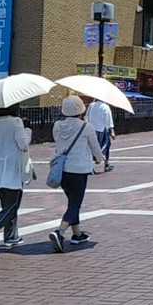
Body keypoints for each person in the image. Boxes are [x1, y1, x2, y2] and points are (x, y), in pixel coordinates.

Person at [49, 95, 104, 253]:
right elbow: (95, 148)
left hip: (62, 170)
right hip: (79, 170)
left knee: (72, 202)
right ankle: (59, 232)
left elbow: (59, 144)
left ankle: (77, 234)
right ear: (81, 110)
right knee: (75, 203)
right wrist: (99, 159)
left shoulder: (57, 125)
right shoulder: (86, 127)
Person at [0, 105, 32, 254]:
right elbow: (23, 144)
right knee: (12, 206)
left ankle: (11, 235)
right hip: (11, 168)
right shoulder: (16, 122)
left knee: (6, 204)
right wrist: (28, 130)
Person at [86, 96, 115, 171]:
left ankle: (90, 166)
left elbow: (87, 116)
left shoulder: (91, 105)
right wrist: (111, 130)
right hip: (101, 129)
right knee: (106, 145)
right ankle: (106, 164)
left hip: (91, 129)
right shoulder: (105, 107)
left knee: (90, 147)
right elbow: (108, 120)